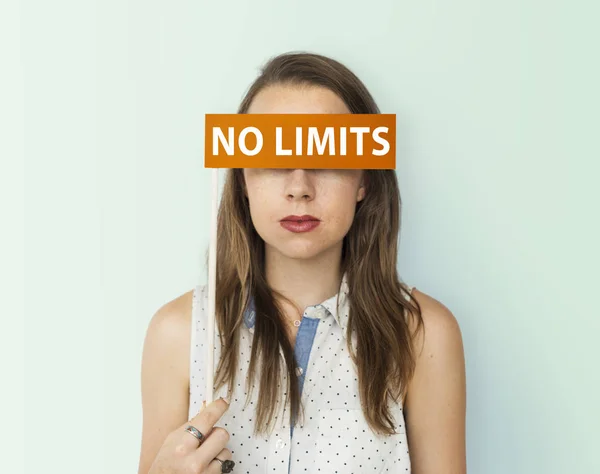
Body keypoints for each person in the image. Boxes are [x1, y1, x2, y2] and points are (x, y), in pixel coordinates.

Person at [138, 52, 466, 474]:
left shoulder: (423, 335)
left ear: (363, 178)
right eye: (275, 158)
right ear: (241, 179)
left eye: (327, 157)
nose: (299, 187)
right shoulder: (179, 333)